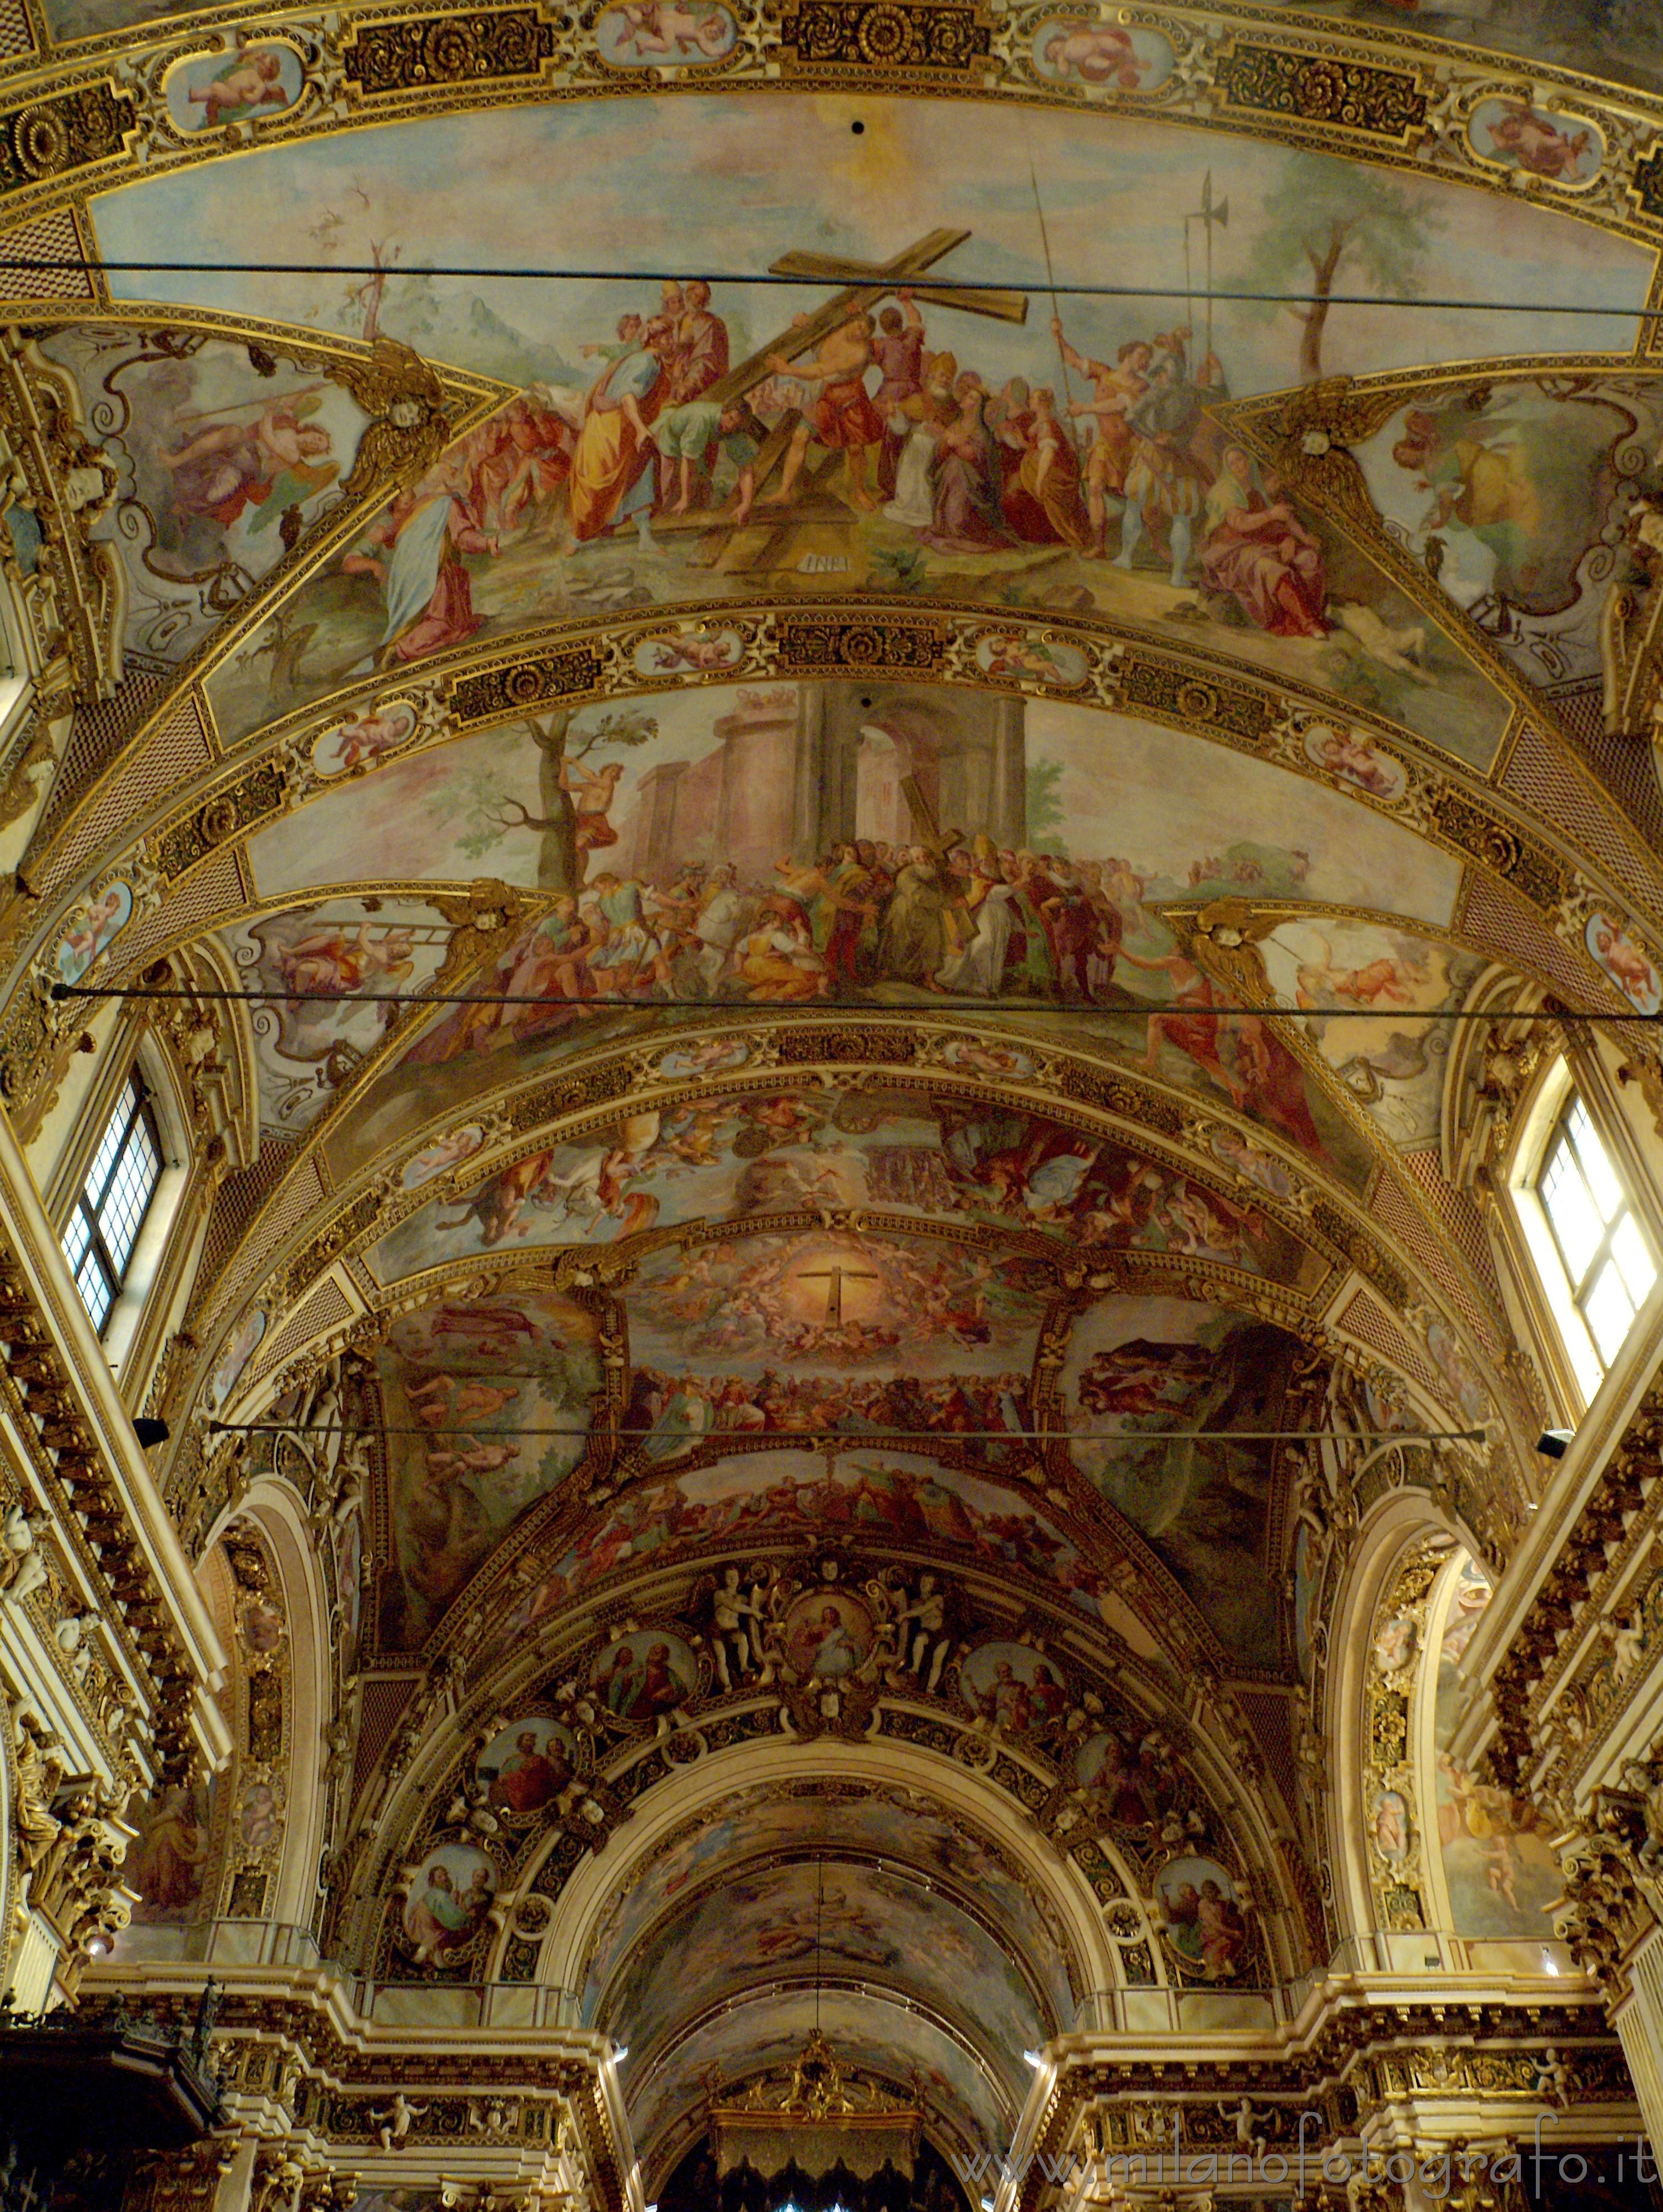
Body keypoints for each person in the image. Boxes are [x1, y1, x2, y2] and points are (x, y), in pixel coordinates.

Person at [1200, 447, 1328, 638]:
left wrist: (1292, 538)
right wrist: (1271, 515)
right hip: (1232, 550)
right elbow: (1240, 523)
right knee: (1270, 569)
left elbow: (1280, 518)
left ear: (1249, 461)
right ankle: (1309, 625)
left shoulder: (1257, 488)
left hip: (1259, 545)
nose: (1238, 466)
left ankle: (1311, 614)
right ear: (1227, 468)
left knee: (1308, 558)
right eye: (1232, 463)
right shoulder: (1225, 490)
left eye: (1241, 460)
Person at [765, 309, 885, 510]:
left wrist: (789, 370)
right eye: (858, 325)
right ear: (851, 321)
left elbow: (822, 370)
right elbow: (812, 334)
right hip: (825, 396)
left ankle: (859, 491)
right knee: (800, 436)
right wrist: (800, 322)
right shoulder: (832, 329)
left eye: (864, 331)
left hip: (850, 399)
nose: (859, 332)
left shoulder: (859, 353)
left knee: (855, 448)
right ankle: (784, 491)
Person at [1116, 334, 1209, 587]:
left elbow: (1133, 417)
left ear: (1170, 375)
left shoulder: (1180, 395)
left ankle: (1170, 571)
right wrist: (1159, 437)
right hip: (1161, 455)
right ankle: (1133, 559)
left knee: (1173, 513)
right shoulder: (1172, 394)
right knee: (1146, 506)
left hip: (1169, 457)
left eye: (1162, 374)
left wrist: (1165, 438)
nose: (1158, 378)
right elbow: (1132, 418)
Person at [1053, 322, 1150, 556]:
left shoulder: (1142, 387)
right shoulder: (1104, 374)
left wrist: (1084, 408)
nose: (1144, 362)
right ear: (1129, 353)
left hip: (1130, 448)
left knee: (1139, 496)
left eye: (1147, 359)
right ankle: (1099, 546)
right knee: (1095, 487)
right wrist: (1059, 337)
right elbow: (1074, 361)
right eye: (1141, 355)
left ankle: (1152, 541)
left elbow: (1116, 405)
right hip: (1104, 445)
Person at [568, 313, 667, 543]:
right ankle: (580, 537)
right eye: (666, 336)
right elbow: (627, 397)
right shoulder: (643, 361)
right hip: (609, 429)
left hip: (620, 425)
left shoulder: (651, 361)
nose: (671, 340)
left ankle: (644, 536)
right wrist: (641, 429)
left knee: (642, 465)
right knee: (599, 487)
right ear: (654, 340)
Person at [921, 373, 1011, 554]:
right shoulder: (956, 425)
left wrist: (951, 440)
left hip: (975, 486)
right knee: (954, 465)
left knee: (957, 466)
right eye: (967, 395)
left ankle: (959, 527)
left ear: (977, 406)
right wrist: (949, 441)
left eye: (971, 398)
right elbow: (939, 456)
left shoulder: (981, 432)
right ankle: (948, 525)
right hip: (953, 479)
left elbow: (972, 456)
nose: (965, 398)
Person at [1002, 387, 1092, 550]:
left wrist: (1039, 480)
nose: (1030, 401)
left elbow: (1048, 454)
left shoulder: (1046, 425)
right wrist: (1019, 439)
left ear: (1042, 404)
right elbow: (1034, 448)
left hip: (1054, 473)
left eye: (1033, 399)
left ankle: (1075, 540)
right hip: (1043, 468)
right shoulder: (1040, 423)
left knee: (1057, 513)